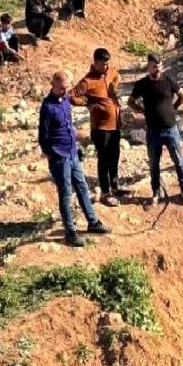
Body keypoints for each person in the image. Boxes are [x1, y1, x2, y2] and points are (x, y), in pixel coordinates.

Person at [38, 71, 110, 247]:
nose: (65, 91)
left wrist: (76, 147)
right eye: (62, 88)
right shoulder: (47, 107)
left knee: (82, 186)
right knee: (65, 193)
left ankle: (92, 222)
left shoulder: (66, 102)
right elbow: (43, 136)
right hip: (59, 156)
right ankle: (70, 232)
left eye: (67, 87)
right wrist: (51, 154)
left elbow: (69, 125)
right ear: (53, 84)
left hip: (72, 152)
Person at [129, 54, 183, 207]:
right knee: (154, 164)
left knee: (179, 161)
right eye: (154, 66)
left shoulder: (169, 80)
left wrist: (173, 108)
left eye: (159, 66)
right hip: (153, 132)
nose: (157, 69)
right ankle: (156, 192)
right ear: (148, 67)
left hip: (170, 129)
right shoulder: (142, 84)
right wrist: (142, 111)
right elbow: (131, 101)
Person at [71, 48, 123, 206]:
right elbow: (72, 96)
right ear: (95, 62)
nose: (106, 67)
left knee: (114, 157)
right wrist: (88, 103)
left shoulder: (110, 71)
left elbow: (117, 75)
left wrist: (114, 85)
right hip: (100, 128)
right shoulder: (87, 81)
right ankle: (105, 193)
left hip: (115, 125)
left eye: (107, 64)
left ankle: (115, 187)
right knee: (104, 160)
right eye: (103, 64)